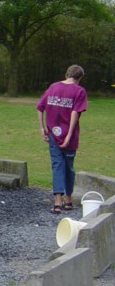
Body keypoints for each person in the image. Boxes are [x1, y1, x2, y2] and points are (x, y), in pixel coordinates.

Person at [37, 65, 87, 215]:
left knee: (57, 165)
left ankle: (57, 202)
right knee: (68, 167)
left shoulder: (53, 87)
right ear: (79, 78)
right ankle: (68, 199)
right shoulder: (79, 91)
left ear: (67, 74)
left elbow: (40, 107)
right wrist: (69, 135)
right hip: (69, 137)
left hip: (53, 134)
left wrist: (42, 128)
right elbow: (74, 114)